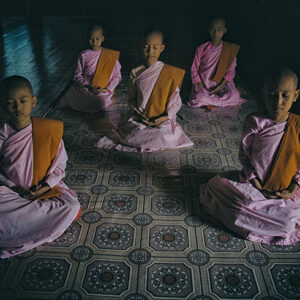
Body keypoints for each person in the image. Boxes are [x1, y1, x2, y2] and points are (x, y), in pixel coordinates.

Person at [200, 67, 300, 245]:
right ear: (263, 94)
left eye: (285, 95)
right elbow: (245, 157)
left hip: (285, 194)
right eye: (271, 94)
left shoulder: (297, 126)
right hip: (254, 187)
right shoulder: (254, 121)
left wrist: (292, 188)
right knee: (219, 189)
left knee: (286, 223)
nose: (278, 101)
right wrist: (254, 181)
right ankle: (262, 219)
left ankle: (271, 220)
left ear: (296, 95)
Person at [0, 75, 81, 258]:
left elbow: (60, 167)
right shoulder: (3, 134)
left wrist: (45, 187)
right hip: (13, 191)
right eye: (10, 102)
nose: (18, 107)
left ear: (33, 101)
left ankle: (26, 224)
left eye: (23, 101)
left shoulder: (48, 130)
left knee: (71, 206)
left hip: (44, 188)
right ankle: (39, 223)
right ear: (2, 104)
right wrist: (14, 187)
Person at [96, 29, 193, 152]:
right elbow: (131, 99)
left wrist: (164, 117)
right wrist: (137, 112)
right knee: (135, 131)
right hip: (140, 118)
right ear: (141, 47)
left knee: (163, 133)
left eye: (155, 48)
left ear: (162, 48)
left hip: (161, 120)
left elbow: (176, 102)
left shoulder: (170, 74)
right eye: (146, 47)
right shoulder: (135, 73)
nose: (150, 52)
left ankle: (151, 136)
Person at [58, 25, 122, 112]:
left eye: (97, 39)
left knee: (100, 99)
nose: (94, 41)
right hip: (87, 87)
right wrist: (87, 85)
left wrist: (106, 89)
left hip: (103, 89)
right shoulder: (83, 55)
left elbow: (117, 77)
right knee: (71, 95)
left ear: (102, 38)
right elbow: (77, 75)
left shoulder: (110, 55)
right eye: (91, 39)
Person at [188, 17, 246, 110]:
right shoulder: (201, 48)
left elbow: (230, 73)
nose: (216, 33)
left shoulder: (229, 49)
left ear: (225, 30)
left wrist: (219, 86)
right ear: (207, 30)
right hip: (203, 83)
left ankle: (210, 100)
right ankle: (215, 100)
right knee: (198, 97)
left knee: (234, 95)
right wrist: (201, 85)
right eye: (212, 29)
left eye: (219, 29)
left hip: (221, 84)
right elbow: (194, 69)